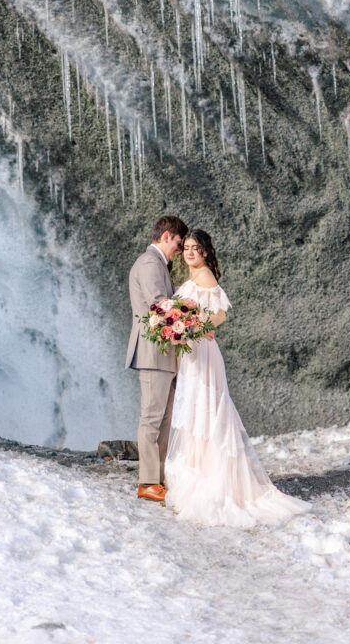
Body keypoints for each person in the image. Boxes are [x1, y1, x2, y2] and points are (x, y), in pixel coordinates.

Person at [164, 229, 311, 527]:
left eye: (196, 248)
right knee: (194, 412)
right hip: (192, 354)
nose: (190, 252)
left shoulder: (205, 276)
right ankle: (197, 470)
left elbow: (219, 316)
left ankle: (214, 480)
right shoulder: (192, 278)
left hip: (204, 351)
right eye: (187, 248)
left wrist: (192, 328)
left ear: (205, 252)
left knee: (207, 411)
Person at [126, 215, 188, 503]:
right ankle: (148, 482)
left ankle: (158, 480)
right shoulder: (150, 263)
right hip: (153, 353)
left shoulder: (158, 264)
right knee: (152, 418)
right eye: (177, 243)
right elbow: (160, 306)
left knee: (163, 419)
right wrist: (190, 323)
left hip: (162, 353)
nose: (179, 249)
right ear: (165, 236)